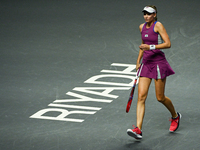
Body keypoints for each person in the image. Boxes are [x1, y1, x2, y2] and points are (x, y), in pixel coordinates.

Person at [127, 5, 181, 140]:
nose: (146, 16)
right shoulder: (141, 27)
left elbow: (168, 43)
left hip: (158, 64)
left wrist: (151, 47)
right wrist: (138, 61)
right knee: (141, 97)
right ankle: (138, 129)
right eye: (144, 14)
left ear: (155, 15)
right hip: (146, 63)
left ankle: (175, 116)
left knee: (160, 97)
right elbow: (142, 45)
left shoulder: (158, 26)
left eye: (149, 14)